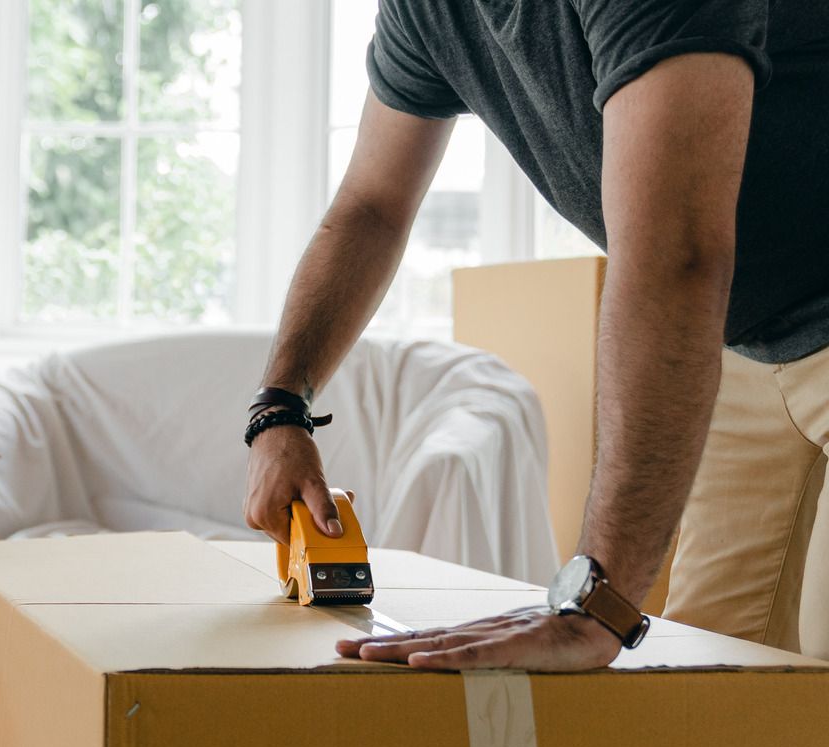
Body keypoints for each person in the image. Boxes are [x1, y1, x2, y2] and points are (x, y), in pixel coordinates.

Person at [243, 1, 829, 671]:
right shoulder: (425, 11)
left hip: (747, 303)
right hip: (745, 346)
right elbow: (370, 209)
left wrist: (593, 601)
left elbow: (676, 259)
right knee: (713, 685)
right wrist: (279, 406)